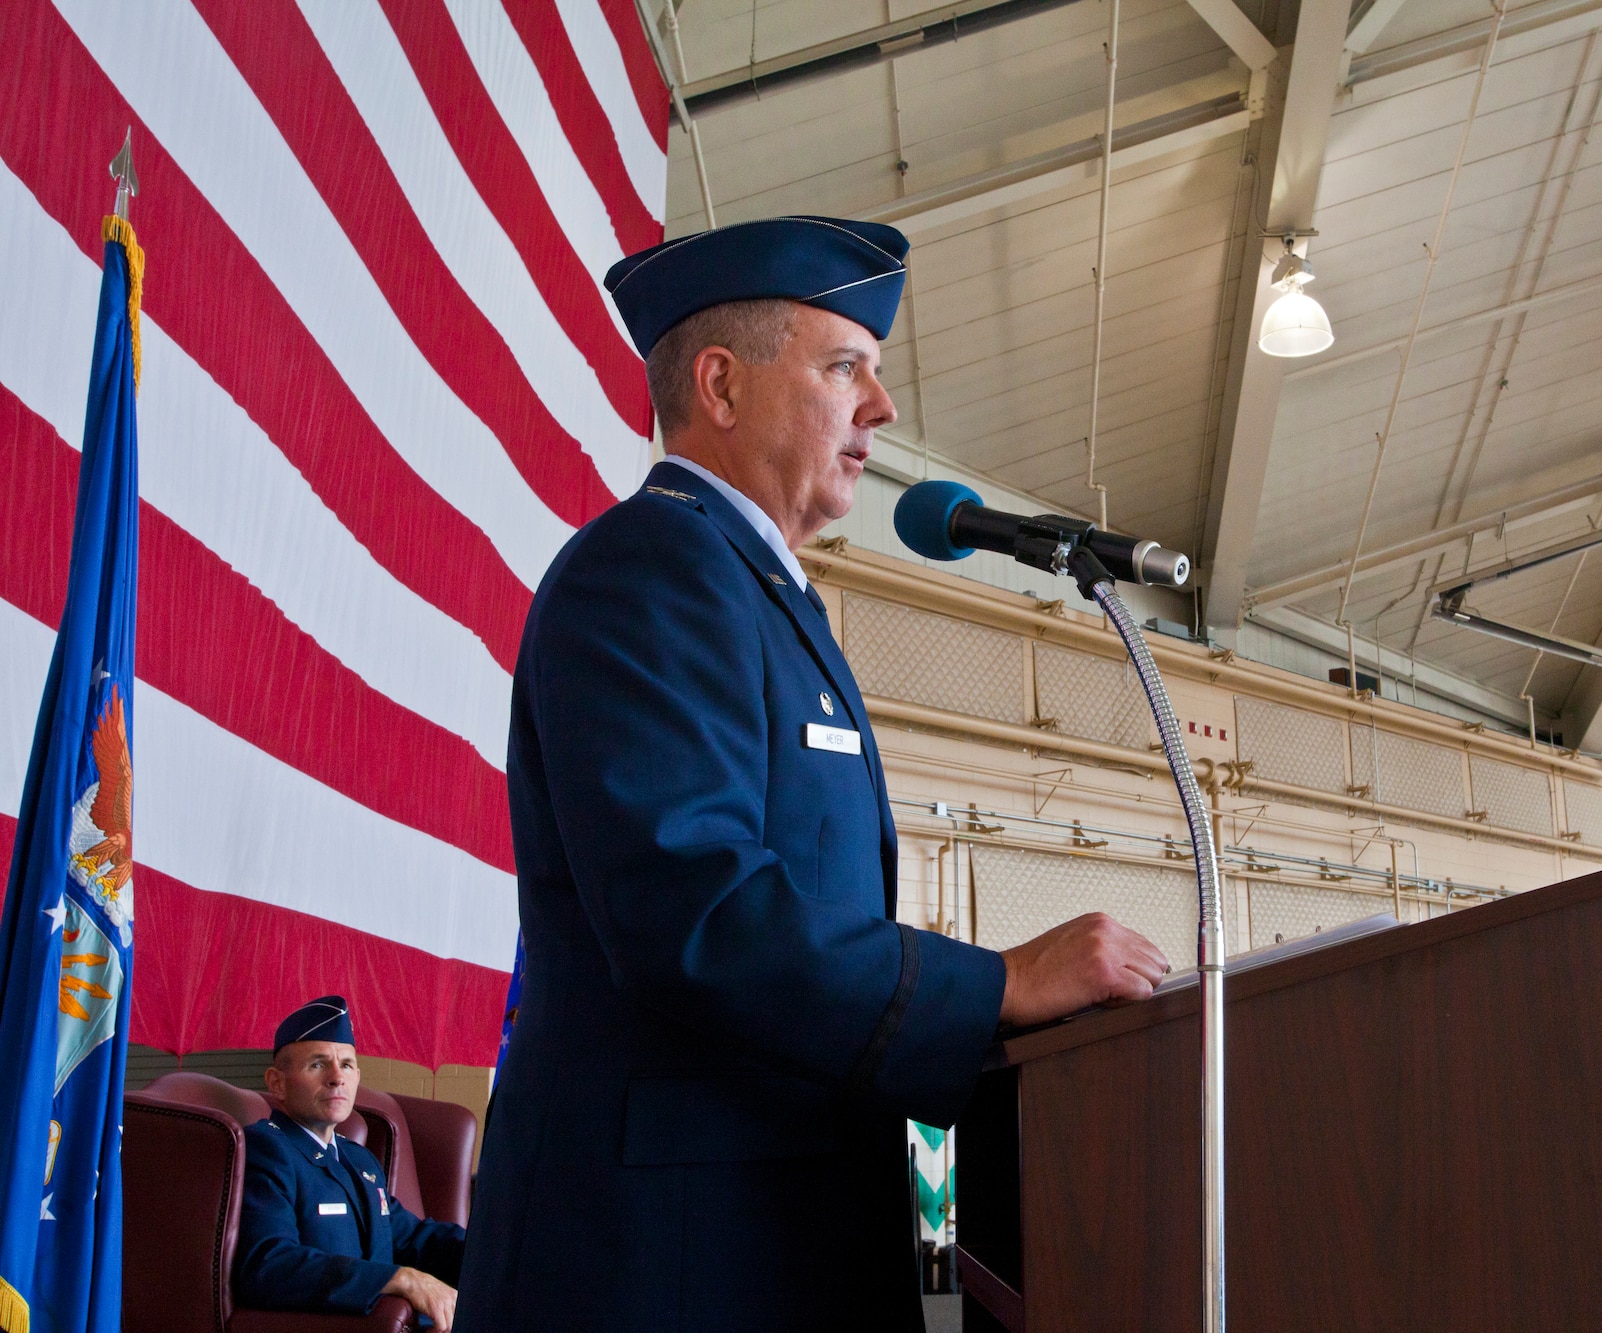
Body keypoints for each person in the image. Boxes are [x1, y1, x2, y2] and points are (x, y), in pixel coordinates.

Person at [456, 217, 1169, 1330]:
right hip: (664, 1261)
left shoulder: (757, 592)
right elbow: (695, 911)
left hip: (765, 1235)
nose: (881, 410)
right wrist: (994, 985)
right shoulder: (653, 567)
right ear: (722, 385)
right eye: (846, 367)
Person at [235, 997, 466, 1330]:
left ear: (357, 1076)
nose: (336, 1077)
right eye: (317, 1064)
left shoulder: (358, 1159)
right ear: (276, 1083)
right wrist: (399, 1279)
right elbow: (269, 1264)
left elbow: (411, 1238)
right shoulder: (268, 1148)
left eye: (345, 1065)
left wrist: (496, 1251)